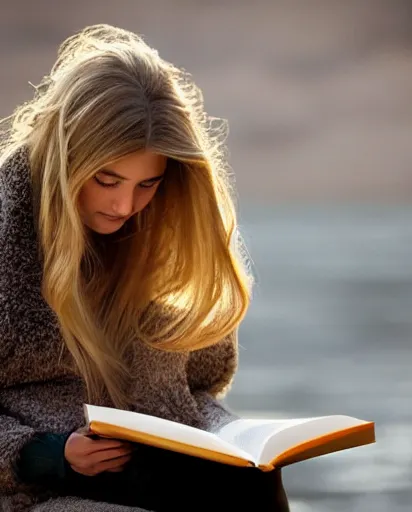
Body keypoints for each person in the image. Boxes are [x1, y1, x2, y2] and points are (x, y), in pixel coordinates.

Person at [0, 24, 290, 511]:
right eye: (106, 179)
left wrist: (233, 435)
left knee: (258, 488)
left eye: (146, 184)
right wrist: (45, 454)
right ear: (64, 157)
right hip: (37, 483)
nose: (123, 205)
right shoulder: (7, 235)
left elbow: (196, 388)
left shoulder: (161, 238)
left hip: (153, 466)